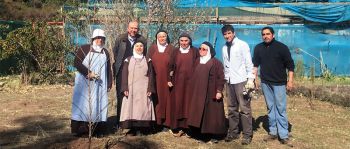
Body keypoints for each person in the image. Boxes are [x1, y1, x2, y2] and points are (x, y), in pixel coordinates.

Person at [252, 26, 294, 147]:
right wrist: (254, 79)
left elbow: (290, 65)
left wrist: (290, 81)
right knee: (270, 107)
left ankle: (284, 135)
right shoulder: (258, 48)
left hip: (279, 83)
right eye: (263, 34)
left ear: (273, 35)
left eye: (268, 34)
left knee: (280, 108)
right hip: (265, 82)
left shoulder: (282, 47)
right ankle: (273, 132)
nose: (266, 36)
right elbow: (255, 65)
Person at [71, 29, 113, 137]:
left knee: (99, 104)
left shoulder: (105, 52)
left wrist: (109, 83)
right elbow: (76, 62)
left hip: (100, 85)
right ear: (93, 39)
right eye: (98, 38)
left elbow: (108, 69)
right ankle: (83, 131)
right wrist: (88, 73)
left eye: (102, 38)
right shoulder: (84, 49)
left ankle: (98, 130)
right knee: (84, 105)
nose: (100, 40)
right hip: (85, 84)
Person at [221, 25, 255, 145]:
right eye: (225, 34)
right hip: (229, 81)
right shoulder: (224, 47)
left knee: (245, 109)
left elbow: (248, 63)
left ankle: (247, 134)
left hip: (241, 80)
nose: (227, 36)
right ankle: (233, 132)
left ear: (234, 33)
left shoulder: (242, 44)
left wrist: (250, 79)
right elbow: (226, 65)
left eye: (229, 33)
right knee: (231, 108)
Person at [187, 41, 226, 143]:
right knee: (198, 112)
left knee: (211, 115)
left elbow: (221, 78)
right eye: (200, 48)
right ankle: (199, 133)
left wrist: (219, 91)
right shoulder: (197, 61)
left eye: (204, 49)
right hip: (197, 92)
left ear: (209, 50)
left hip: (210, 93)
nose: (201, 51)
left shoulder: (216, 63)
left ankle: (213, 135)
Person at [113, 21, 147, 128]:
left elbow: (144, 55)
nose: (133, 30)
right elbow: (116, 53)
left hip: (136, 74)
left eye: (136, 28)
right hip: (121, 71)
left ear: (138, 29)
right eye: (131, 28)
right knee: (121, 96)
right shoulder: (120, 38)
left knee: (135, 97)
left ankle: (133, 121)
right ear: (128, 28)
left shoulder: (142, 40)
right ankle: (120, 122)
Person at [119, 41, 156, 136]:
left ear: (144, 48)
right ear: (133, 48)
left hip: (144, 89)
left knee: (143, 108)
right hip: (131, 89)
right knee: (131, 108)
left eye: (141, 46)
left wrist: (150, 89)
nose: (139, 48)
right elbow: (124, 75)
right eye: (137, 46)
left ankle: (142, 129)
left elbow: (151, 75)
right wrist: (124, 88)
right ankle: (133, 129)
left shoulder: (148, 60)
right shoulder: (128, 59)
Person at [168, 33, 198, 137]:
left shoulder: (195, 51)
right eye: (182, 41)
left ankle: (189, 128)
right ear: (179, 41)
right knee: (178, 104)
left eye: (186, 41)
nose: (184, 43)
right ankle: (178, 126)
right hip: (178, 83)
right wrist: (169, 79)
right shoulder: (175, 51)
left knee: (189, 105)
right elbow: (170, 66)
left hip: (191, 84)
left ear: (189, 41)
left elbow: (199, 65)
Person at [147, 30, 175, 129]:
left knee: (167, 100)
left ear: (167, 37)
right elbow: (148, 64)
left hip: (167, 80)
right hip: (154, 79)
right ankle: (155, 123)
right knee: (155, 99)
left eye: (164, 36)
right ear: (157, 38)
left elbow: (174, 66)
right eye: (160, 37)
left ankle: (166, 123)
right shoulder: (152, 48)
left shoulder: (171, 49)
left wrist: (170, 78)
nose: (162, 38)